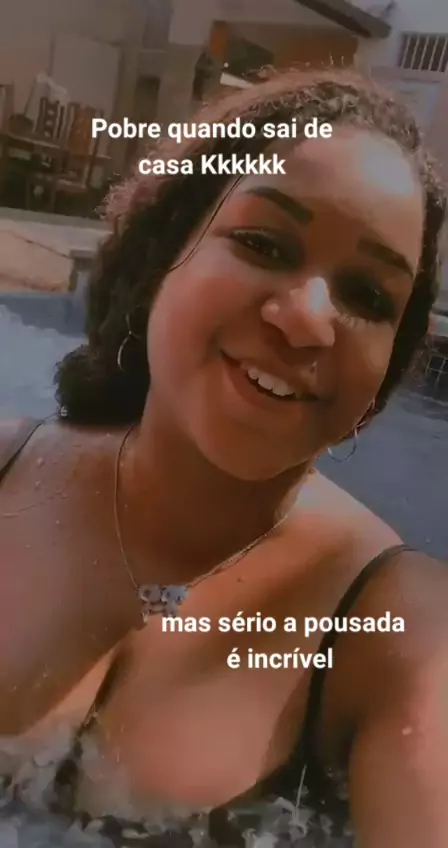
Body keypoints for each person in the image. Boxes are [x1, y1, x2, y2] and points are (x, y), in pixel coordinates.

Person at [0, 66, 447, 847]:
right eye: (263, 243)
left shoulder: (396, 633)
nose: (307, 319)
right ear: (163, 256)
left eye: (368, 297)